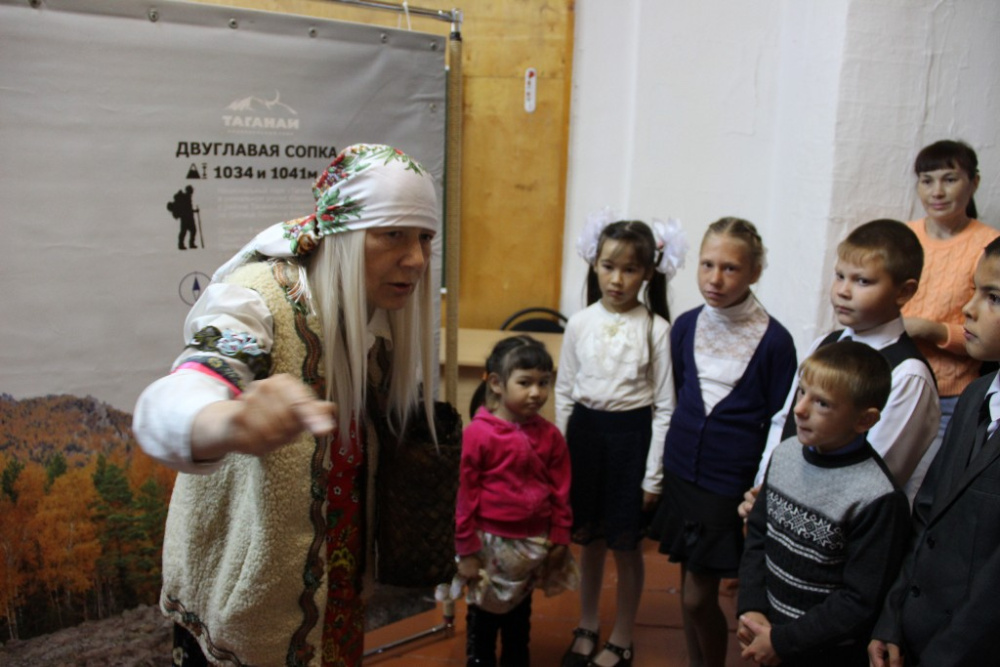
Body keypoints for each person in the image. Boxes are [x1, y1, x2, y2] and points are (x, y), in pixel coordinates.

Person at [132, 144, 441, 667]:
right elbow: (176, 396)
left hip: (335, 595)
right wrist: (227, 421)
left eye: (424, 237)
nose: (415, 258)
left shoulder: (378, 319)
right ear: (344, 234)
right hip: (245, 614)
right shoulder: (257, 299)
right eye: (393, 234)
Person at [648, 217, 797, 667]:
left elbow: (779, 422)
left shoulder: (775, 341)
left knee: (698, 596)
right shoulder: (685, 326)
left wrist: (762, 484)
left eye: (730, 268)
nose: (715, 278)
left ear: (755, 271)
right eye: (707, 264)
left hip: (726, 482)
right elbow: (677, 395)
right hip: (682, 471)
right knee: (687, 583)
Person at [555, 211, 685, 667]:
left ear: (648, 273)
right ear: (594, 264)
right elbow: (565, 393)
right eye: (609, 266)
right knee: (588, 542)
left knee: (625, 546)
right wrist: (560, 457)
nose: (617, 279)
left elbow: (665, 407)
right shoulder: (579, 323)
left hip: (631, 441)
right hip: (584, 439)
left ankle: (623, 635)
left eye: (630, 269)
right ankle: (587, 624)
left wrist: (653, 475)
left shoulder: (656, 329)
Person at [742, 219, 940, 516]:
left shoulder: (907, 375)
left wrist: (786, 501)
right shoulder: (826, 344)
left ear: (903, 292)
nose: (843, 291)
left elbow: (876, 472)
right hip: (782, 502)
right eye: (840, 276)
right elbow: (785, 421)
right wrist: (766, 485)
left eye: (863, 281)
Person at [869, 236, 1000, 667]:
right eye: (975, 291)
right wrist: (892, 617)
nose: (969, 309)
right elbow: (928, 515)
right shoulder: (976, 394)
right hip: (917, 629)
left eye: (994, 297)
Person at [738, 341, 911, 667]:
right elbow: (758, 535)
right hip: (769, 630)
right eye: (801, 392)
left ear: (864, 420)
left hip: (824, 652)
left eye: (822, 403)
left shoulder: (877, 498)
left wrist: (782, 642)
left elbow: (859, 600)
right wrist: (752, 607)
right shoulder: (785, 453)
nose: (800, 409)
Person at [455, 335, 578, 667]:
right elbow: (465, 496)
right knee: (482, 623)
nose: (536, 392)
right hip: (488, 545)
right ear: (497, 383)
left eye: (543, 382)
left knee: (518, 623)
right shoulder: (478, 435)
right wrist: (466, 549)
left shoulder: (551, 436)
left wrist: (560, 537)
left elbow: (561, 492)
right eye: (525, 383)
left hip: (531, 545)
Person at [901, 139, 997, 481]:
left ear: (974, 182)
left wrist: (932, 330)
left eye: (950, 179)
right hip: (894, 382)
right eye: (927, 181)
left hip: (949, 395)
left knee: (923, 488)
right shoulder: (904, 236)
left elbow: (990, 333)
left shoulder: (988, 246)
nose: (937, 192)